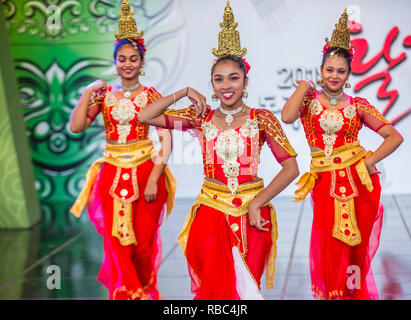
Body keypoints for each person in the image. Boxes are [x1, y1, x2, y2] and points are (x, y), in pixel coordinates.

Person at [138, 1, 299, 300]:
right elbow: (145, 116)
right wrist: (183, 91)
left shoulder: (261, 118)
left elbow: (291, 169)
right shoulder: (201, 117)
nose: (226, 85)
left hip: (254, 213)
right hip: (211, 214)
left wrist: (256, 203)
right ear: (211, 84)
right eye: (218, 78)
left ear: (245, 81)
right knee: (215, 293)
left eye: (233, 78)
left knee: (246, 290)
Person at [281, 9, 403, 300]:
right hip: (324, 183)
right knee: (328, 241)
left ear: (349, 74)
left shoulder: (357, 104)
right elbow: (286, 117)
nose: (334, 75)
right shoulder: (309, 100)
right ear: (320, 71)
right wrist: (303, 87)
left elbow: (394, 137)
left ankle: (351, 294)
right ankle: (334, 294)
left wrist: (369, 163)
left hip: (358, 181)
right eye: (329, 70)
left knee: (354, 247)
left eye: (341, 71)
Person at [69, 0, 176, 300]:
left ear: (142, 62)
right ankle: (127, 293)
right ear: (115, 62)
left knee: (143, 242)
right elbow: (76, 126)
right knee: (117, 241)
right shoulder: (103, 95)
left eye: (133, 58)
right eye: (122, 59)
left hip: (145, 171)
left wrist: (156, 177)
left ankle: (143, 288)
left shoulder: (152, 95)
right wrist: (89, 90)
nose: (127, 64)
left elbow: (166, 139)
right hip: (112, 173)